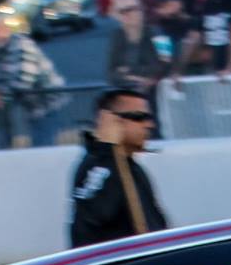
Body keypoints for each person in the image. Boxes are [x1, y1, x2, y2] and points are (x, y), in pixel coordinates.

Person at [70, 89, 167, 247]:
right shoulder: (97, 166)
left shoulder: (132, 167)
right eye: (139, 117)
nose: (149, 125)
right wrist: (107, 149)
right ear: (110, 121)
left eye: (149, 118)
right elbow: (86, 230)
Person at [0, 13, 66, 148]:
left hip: (46, 101)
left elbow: (24, 79)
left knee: (43, 145)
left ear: (4, 28)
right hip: (29, 104)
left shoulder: (22, 44)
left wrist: (0, 95)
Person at [104, 0, 172, 99]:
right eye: (123, 11)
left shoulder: (159, 33)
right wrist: (137, 78)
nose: (131, 14)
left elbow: (168, 64)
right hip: (128, 96)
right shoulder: (116, 36)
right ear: (117, 16)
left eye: (135, 9)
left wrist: (128, 72)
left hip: (159, 95)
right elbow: (111, 74)